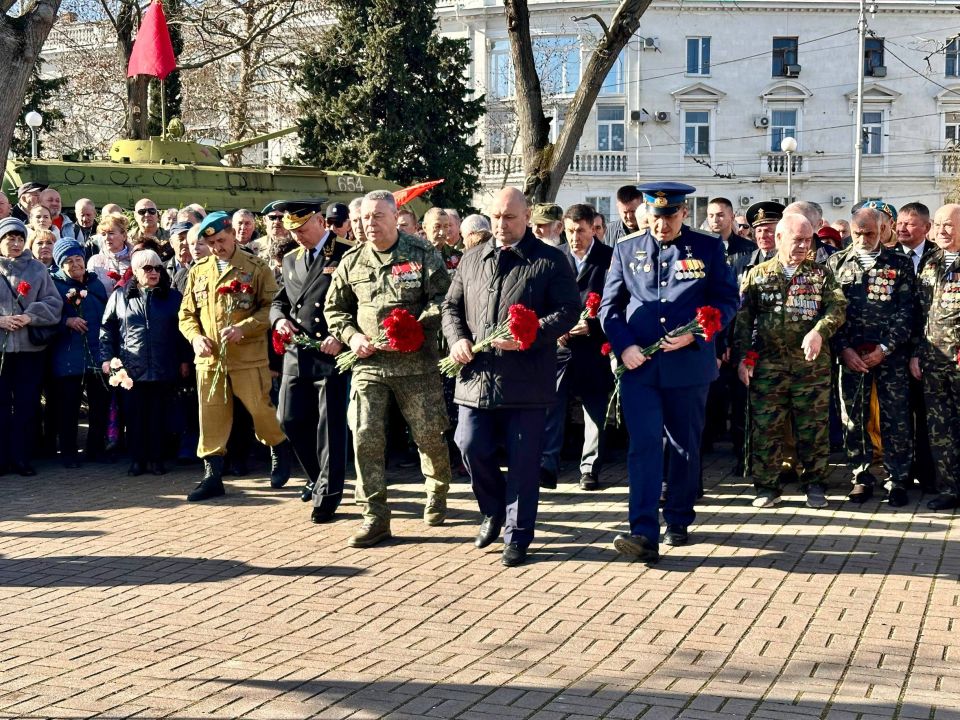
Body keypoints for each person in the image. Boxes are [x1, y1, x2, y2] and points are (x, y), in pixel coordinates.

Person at [600, 182, 739, 563]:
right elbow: (609, 308)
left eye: (670, 216)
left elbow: (727, 300)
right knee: (643, 445)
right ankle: (642, 531)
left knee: (683, 446)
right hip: (639, 367)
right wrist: (624, 346)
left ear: (683, 213)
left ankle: (678, 516)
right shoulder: (627, 250)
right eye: (656, 217)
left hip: (688, 366)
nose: (662, 224)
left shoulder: (708, 248)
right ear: (646, 213)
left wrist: (696, 334)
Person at [443, 187, 579, 566]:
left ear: (527, 216)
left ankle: (518, 536)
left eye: (510, 217)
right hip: (476, 376)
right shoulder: (472, 258)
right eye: (497, 217)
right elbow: (451, 306)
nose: (501, 225)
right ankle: (493, 509)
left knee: (523, 461)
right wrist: (457, 340)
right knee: (469, 445)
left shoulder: (550, 260)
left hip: (526, 380)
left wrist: (530, 334)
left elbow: (569, 309)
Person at [325, 190, 453, 548]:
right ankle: (375, 516)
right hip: (370, 365)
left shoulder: (421, 253)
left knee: (428, 436)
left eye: (378, 216)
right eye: (365, 218)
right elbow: (335, 310)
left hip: (416, 365)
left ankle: (437, 489)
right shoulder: (352, 262)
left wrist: (416, 324)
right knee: (365, 435)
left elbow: (444, 299)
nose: (370, 224)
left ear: (394, 217)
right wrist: (351, 338)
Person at [734, 214, 847, 509]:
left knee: (813, 427)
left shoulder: (821, 274)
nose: (802, 245)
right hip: (769, 365)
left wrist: (819, 331)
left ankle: (815, 484)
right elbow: (744, 323)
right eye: (797, 239)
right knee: (766, 427)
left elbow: (837, 308)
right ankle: (767, 487)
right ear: (779, 238)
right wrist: (743, 358)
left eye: (807, 240)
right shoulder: (757, 275)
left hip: (811, 367)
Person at [178, 211, 292, 501]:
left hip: (247, 356)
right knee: (211, 417)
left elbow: (272, 308)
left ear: (232, 235)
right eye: (212, 243)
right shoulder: (199, 270)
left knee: (259, 409)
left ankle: (279, 448)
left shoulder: (256, 267)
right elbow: (186, 314)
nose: (218, 247)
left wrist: (245, 328)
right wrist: (195, 338)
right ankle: (212, 475)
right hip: (211, 359)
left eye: (221, 240)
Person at [826, 206, 915, 506]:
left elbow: (907, 311)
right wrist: (844, 349)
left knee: (896, 418)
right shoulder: (837, 262)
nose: (863, 238)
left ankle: (897, 478)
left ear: (883, 230)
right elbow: (830, 313)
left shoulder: (900, 264)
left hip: (890, 356)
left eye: (870, 233)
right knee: (853, 417)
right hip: (851, 356)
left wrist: (886, 348)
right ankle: (861, 475)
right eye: (857, 233)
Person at [270, 200, 352, 522]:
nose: (299, 236)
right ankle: (318, 477)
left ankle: (328, 494)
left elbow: (356, 300)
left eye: (303, 230)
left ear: (320, 221)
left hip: (329, 351)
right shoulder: (291, 259)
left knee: (329, 427)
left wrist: (344, 335)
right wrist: (278, 321)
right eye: (293, 231)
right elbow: (280, 301)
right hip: (296, 352)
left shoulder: (344, 252)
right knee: (288, 418)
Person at [540, 203, 613, 492]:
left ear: (593, 228)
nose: (574, 238)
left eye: (580, 231)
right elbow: (543, 299)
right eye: (569, 231)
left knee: (594, 409)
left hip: (593, 347)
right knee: (552, 404)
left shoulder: (609, 258)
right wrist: (552, 327)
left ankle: (590, 468)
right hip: (560, 345)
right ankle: (547, 465)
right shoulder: (555, 257)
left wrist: (594, 326)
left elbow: (615, 301)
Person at [100, 249, 185, 476]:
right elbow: (107, 329)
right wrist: (107, 359)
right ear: (136, 272)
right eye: (148, 268)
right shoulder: (119, 297)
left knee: (159, 416)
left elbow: (183, 332)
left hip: (163, 366)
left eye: (157, 267)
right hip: (130, 369)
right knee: (135, 417)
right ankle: (137, 460)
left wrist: (185, 360)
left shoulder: (173, 297)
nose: (154, 272)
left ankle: (157, 460)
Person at [0, 217, 63, 475]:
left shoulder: (37, 269)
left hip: (29, 351)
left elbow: (54, 303)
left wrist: (29, 316)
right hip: (1, 351)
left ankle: (22, 457)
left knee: (27, 406)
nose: (15, 244)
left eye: (19, 239)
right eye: (9, 239)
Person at [911, 203, 960, 510]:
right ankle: (949, 488)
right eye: (938, 225)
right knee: (940, 429)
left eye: (949, 225)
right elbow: (919, 313)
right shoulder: (930, 262)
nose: (942, 231)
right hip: (932, 361)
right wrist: (917, 353)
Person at [51, 238, 109, 467]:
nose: (75, 264)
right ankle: (68, 453)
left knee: (99, 405)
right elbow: (46, 319)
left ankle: (96, 449)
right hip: (68, 356)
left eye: (78, 259)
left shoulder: (95, 284)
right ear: (60, 264)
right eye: (68, 261)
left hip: (97, 355)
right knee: (69, 408)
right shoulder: (54, 286)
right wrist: (66, 321)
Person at [896, 201, 936, 493]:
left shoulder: (939, 257)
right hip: (895, 350)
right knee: (898, 414)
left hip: (930, 350)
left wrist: (919, 352)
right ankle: (901, 472)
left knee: (927, 413)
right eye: (899, 222)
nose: (901, 228)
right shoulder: (888, 256)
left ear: (926, 227)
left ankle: (928, 470)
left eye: (909, 224)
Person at [88, 213, 133, 295]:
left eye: (111, 233)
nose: (106, 238)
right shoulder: (95, 261)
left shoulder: (136, 259)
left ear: (124, 236)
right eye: (103, 234)